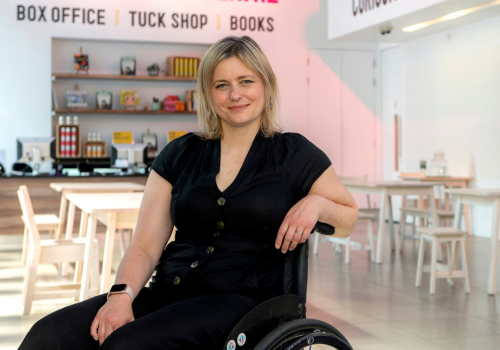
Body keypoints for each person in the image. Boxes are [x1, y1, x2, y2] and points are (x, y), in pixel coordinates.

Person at [19, 36, 358, 350]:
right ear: (209, 95)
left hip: (243, 303)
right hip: (170, 291)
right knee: (47, 337)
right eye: (221, 85)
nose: (235, 95)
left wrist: (317, 204)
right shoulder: (181, 153)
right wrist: (120, 297)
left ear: (266, 87)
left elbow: (347, 218)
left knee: (127, 346)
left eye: (246, 82)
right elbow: (145, 245)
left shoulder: (295, 154)